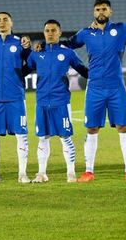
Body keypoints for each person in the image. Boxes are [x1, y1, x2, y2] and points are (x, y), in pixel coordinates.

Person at [66, 0, 126, 182]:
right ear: (94, 13)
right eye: (98, 9)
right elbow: (67, 44)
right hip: (95, 88)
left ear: (110, 12)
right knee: (92, 128)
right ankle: (89, 171)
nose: (101, 12)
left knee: (123, 127)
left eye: (104, 9)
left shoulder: (122, 29)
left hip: (116, 87)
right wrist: (42, 45)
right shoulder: (85, 33)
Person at [26, 20, 88, 183]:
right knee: (43, 138)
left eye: (54, 30)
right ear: (44, 33)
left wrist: (100, 74)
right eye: (47, 30)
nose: (50, 33)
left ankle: (70, 172)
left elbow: (83, 70)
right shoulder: (37, 52)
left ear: (60, 33)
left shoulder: (67, 53)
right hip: (41, 102)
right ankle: (41, 173)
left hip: (61, 101)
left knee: (65, 137)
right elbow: (25, 68)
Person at [0, 12, 32, 185]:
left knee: (21, 135)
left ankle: (22, 174)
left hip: (16, 97)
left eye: (5, 19)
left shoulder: (20, 43)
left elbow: (32, 62)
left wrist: (19, 75)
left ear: (11, 22)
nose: (2, 22)